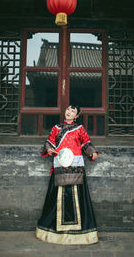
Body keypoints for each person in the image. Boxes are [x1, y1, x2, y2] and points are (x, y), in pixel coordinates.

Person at [36, 105, 99, 245]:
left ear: (76, 116)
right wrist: (50, 150)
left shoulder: (79, 129)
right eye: (68, 110)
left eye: (73, 111)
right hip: (60, 165)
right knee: (56, 197)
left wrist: (92, 152)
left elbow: (86, 143)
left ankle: (80, 234)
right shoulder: (56, 128)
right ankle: (52, 232)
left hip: (76, 167)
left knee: (78, 197)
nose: (69, 112)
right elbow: (49, 142)